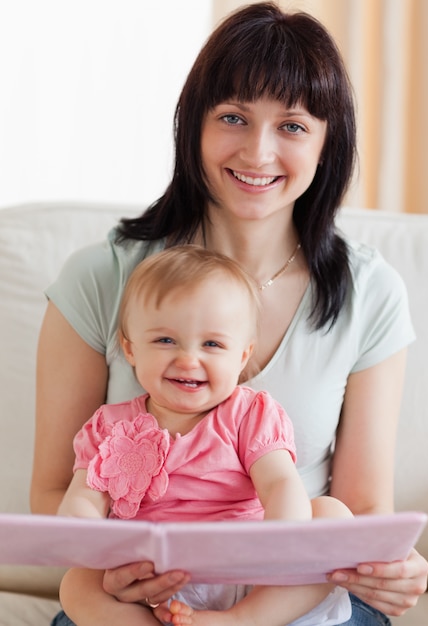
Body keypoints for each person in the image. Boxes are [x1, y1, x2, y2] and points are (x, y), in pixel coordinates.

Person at [31, 3, 428, 626]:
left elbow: (358, 508)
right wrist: (116, 564)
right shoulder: (101, 276)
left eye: (293, 126)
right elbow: (57, 491)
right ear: (194, 126)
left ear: (329, 143)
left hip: (283, 586)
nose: (258, 151)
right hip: (145, 584)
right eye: (233, 117)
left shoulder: (369, 291)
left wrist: (390, 569)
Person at [57, 245, 353, 626]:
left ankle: (242, 621)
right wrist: (97, 546)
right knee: (76, 585)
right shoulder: (109, 427)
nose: (188, 359)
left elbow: (280, 484)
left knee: (331, 515)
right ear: (130, 349)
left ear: (243, 356)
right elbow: (82, 501)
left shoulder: (250, 414)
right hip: (150, 578)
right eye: (165, 340)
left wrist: (279, 544)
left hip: (251, 570)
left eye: (212, 344)